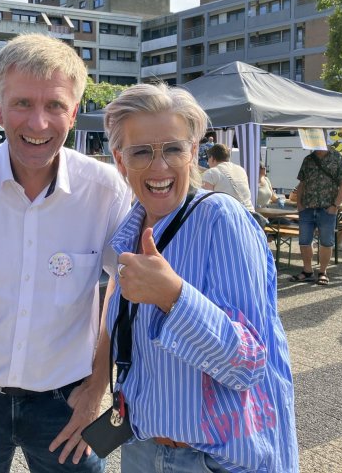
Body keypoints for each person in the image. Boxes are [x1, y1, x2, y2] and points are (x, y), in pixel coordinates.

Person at [0, 33, 132, 473]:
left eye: (55, 106)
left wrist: (98, 384)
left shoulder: (104, 190)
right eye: (22, 103)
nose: (38, 123)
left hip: (66, 400)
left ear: (74, 112)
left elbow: (125, 289)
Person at [102, 83, 298, 473]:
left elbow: (248, 364)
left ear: (193, 152)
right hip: (142, 448)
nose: (159, 167)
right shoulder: (129, 233)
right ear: (120, 161)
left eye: (173, 149)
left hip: (208, 459)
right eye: (141, 152)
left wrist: (174, 296)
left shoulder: (220, 219)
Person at [290, 146, 342, 286]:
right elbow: (302, 183)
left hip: (327, 208)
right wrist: (299, 204)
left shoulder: (339, 157)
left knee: (326, 242)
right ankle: (307, 271)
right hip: (307, 208)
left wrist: (335, 206)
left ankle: (323, 272)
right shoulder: (308, 159)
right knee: (304, 241)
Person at [201, 143, 254, 211]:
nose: (208, 162)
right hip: (248, 214)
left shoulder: (211, 173)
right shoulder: (241, 170)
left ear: (212, 158)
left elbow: (206, 203)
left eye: (208, 158)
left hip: (229, 216)